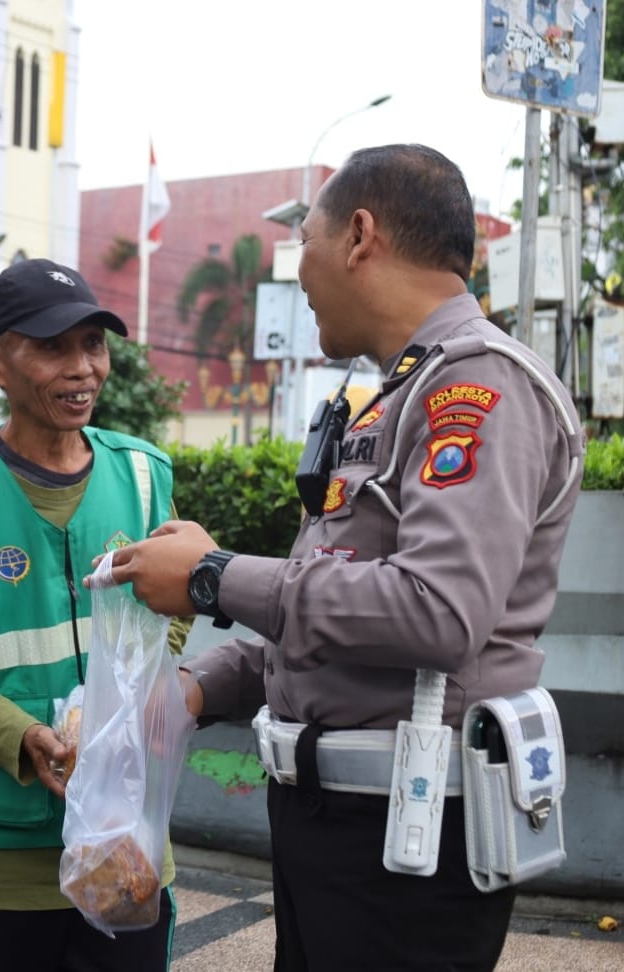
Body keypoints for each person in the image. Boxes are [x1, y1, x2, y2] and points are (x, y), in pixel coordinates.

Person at [96, 144, 585, 971]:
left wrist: (213, 578)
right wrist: (198, 688)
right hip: (341, 823)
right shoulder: (396, 396)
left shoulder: (477, 391)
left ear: (360, 236)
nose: (302, 275)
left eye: (306, 248)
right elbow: (335, 611)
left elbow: (435, 613)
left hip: (407, 837)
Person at [0, 258, 190, 972]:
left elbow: (172, 612)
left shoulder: (145, 476)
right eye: (53, 347)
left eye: (93, 344)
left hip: (124, 843)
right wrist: (23, 734)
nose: (81, 367)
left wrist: (115, 707)